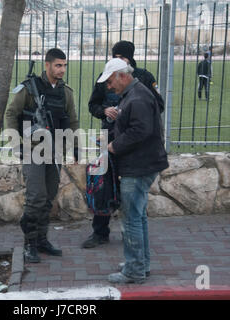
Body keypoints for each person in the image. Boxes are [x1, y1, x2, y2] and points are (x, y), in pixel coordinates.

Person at [82, 40, 164, 249]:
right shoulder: (107, 76)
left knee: (132, 193)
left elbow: (157, 106)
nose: (116, 61)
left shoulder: (144, 78)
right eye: (114, 57)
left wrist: (128, 113)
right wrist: (104, 111)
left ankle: (134, 234)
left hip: (131, 144)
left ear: (128, 60)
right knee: (102, 186)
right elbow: (92, 104)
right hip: (107, 137)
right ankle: (100, 231)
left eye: (121, 58)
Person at [96, 58, 168, 284]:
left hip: (138, 166)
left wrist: (113, 145)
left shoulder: (136, 97)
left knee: (132, 219)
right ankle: (140, 263)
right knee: (139, 216)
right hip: (143, 163)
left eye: (109, 82)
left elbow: (139, 131)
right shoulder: (135, 94)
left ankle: (134, 269)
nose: (108, 87)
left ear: (121, 75)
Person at [5, 48, 79, 263]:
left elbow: (71, 121)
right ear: (46, 65)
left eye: (64, 65)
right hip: (33, 151)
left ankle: (42, 240)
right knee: (35, 197)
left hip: (54, 151)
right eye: (58, 65)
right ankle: (29, 244)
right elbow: (12, 114)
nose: (62, 69)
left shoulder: (66, 93)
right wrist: (15, 144)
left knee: (48, 198)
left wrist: (74, 147)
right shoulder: (29, 89)